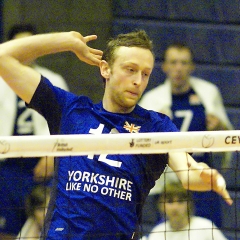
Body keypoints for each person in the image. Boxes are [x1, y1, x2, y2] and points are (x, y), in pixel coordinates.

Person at [0, 29, 232, 239]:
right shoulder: (70, 110)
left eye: (145, 74)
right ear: (105, 69)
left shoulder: (156, 126)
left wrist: (206, 176)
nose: (137, 81)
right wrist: (66, 41)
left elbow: (188, 171)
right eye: (130, 70)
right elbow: (3, 58)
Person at [139, 42, 233, 228]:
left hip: (201, 176)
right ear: (164, 67)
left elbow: (229, 139)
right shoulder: (152, 99)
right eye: (173, 63)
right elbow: (138, 142)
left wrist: (218, 126)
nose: (178, 68)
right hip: (168, 183)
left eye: (183, 63)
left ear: (192, 66)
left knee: (208, 230)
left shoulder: (208, 93)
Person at [0, 24, 69, 239]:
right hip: (6, 165)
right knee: (7, 228)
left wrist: (52, 154)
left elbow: (67, 123)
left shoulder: (54, 80)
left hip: (42, 164)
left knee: (45, 226)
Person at [147, 182, 228, 240]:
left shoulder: (205, 227)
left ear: (188, 204)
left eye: (180, 201)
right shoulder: (157, 232)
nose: (175, 207)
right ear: (162, 205)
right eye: (170, 202)